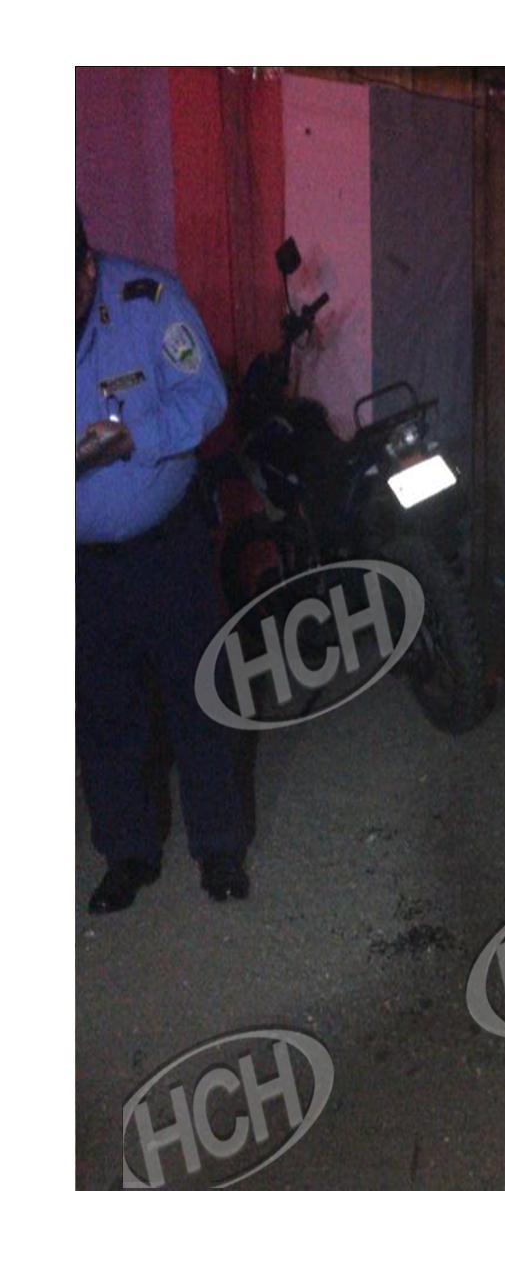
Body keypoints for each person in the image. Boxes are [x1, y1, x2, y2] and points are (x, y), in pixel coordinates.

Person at [76, 209, 251, 912]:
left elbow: (207, 397)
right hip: (80, 565)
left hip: (165, 548)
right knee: (103, 710)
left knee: (198, 697)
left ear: (87, 268)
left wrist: (132, 438)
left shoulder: (149, 302)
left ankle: (220, 847)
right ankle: (128, 853)